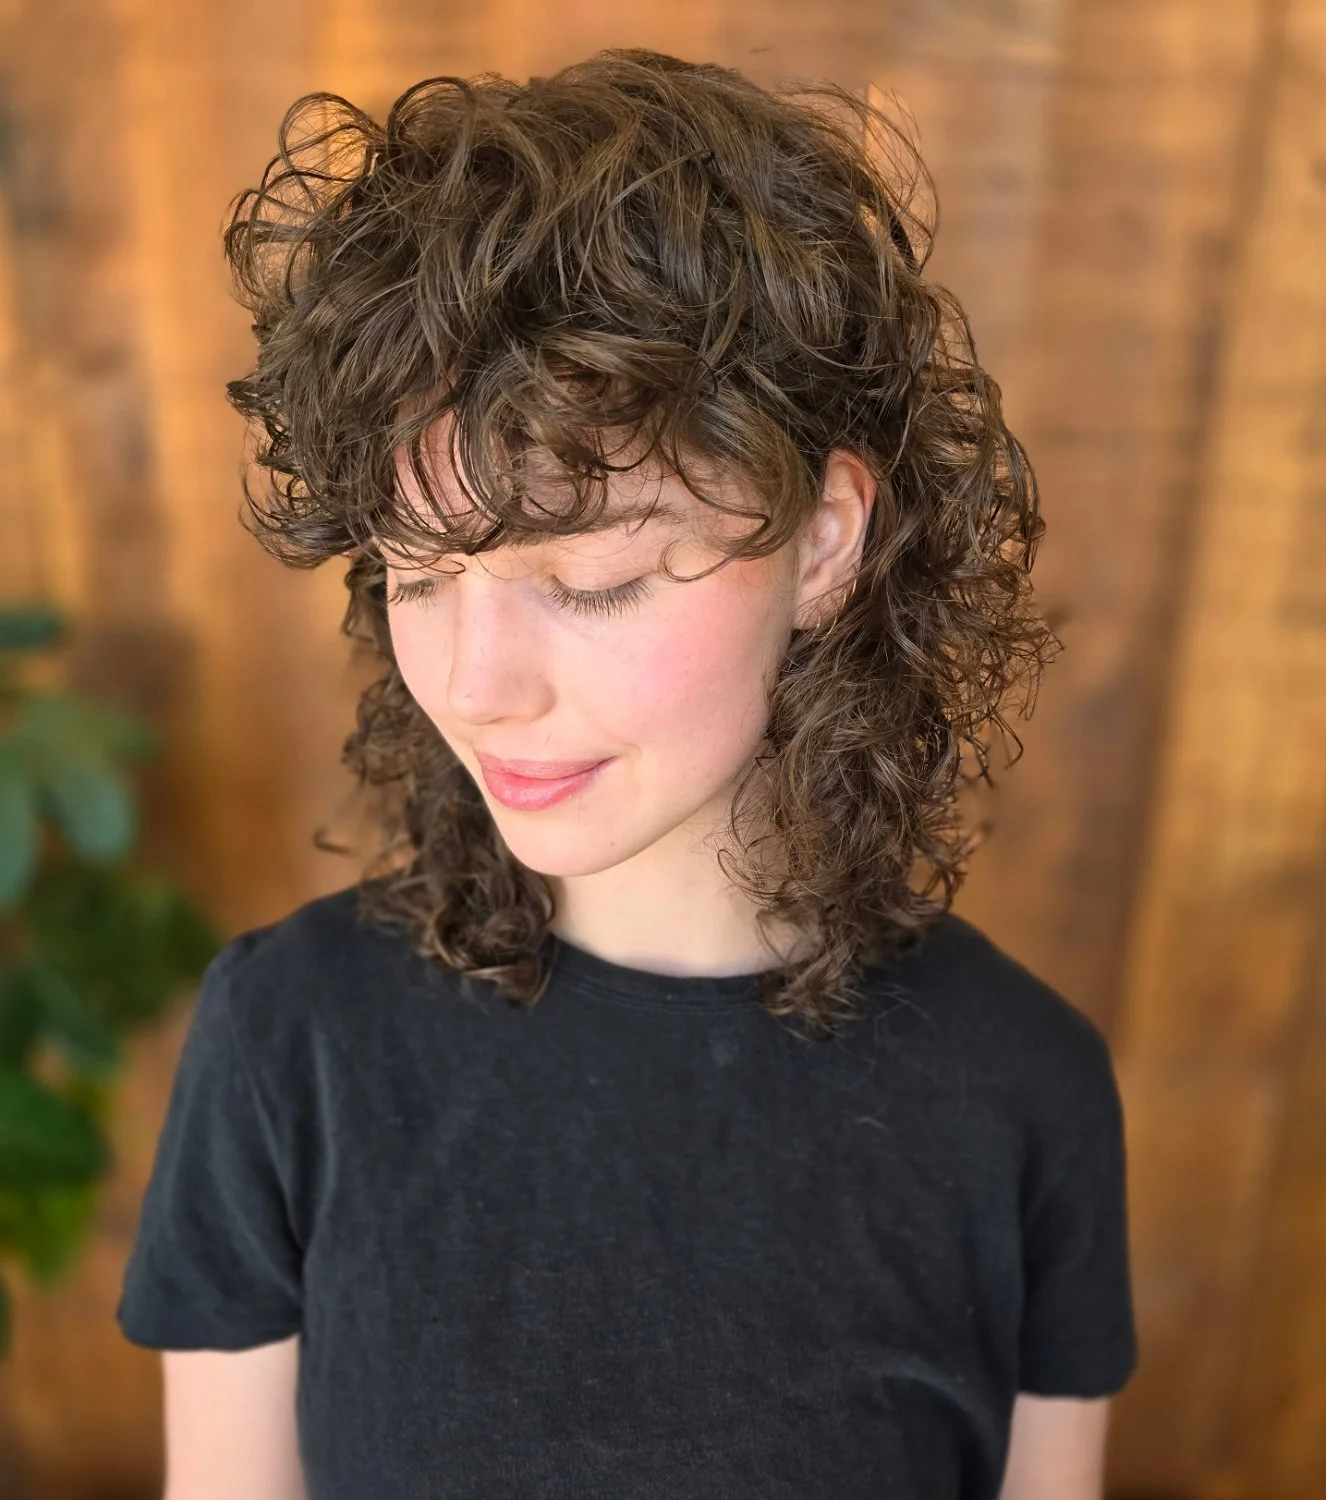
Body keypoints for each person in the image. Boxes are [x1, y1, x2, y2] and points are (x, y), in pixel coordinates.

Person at [115, 48, 1137, 1500]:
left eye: (590, 582)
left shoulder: (1023, 1090)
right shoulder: (291, 1044)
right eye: (417, 576)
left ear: (824, 541)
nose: (478, 686)